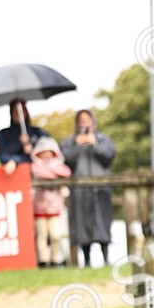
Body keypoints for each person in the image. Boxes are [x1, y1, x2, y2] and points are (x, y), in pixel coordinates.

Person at [60, 109, 116, 267]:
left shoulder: (102, 139)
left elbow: (110, 156)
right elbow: (65, 159)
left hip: (100, 188)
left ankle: (106, 259)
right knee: (81, 224)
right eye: (81, 120)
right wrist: (77, 146)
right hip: (79, 190)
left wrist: (95, 144)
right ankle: (86, 261)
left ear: (93, 121)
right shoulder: (70, 142)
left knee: (103, 222)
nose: (84, 123)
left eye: (87, 120)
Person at [30, 137, 72, 268]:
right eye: (44, 152)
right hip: (40, 207)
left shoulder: (57, 165)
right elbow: (39, 173)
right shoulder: (36, 165)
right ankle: (43, 260)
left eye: (49, 152)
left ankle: (55, 259)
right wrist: (52, 173)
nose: (46, 155)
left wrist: (50, 169)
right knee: (42, 235)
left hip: (54, 207)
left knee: (55, 235)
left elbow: (66, 172)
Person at [0, 100, 47, 166]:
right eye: (15, 111)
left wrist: (33, 149)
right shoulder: (3, 134)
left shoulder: (37, 132)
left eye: (22, 110)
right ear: (11, 113)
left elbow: (49, 149)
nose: (19, 113)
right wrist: (20, 143)